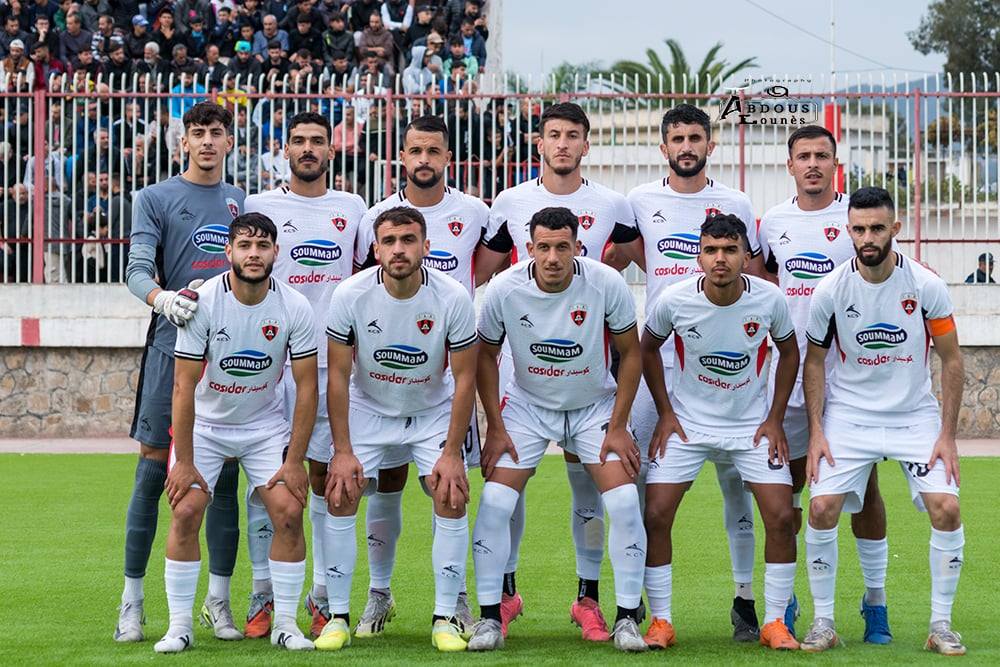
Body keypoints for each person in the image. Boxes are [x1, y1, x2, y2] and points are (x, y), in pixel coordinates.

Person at [475, 102, 643, 642]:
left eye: (563, 248)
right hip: (525, 398)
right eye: (543, 248)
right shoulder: (506, 268)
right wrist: (493, 424)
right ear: (528, 248)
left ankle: (615, 612)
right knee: (499, 499)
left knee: (618, 499)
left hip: (591, 401)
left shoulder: (606, 270)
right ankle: (494, 609)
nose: (552, 257)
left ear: (579, 246)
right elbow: (483, 344)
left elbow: (632, 349)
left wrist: (619, 423)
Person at [799, 187, 966, 655]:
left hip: (914, 416)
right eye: (859, 229)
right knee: (821, 508)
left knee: (947, 508)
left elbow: (952, 360)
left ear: (895, 228)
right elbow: (815, 362)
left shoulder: (926, 285)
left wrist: (947, 435)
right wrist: (817, 432)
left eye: (876, 228)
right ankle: (824, 621)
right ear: (848, 231)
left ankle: (941, 625)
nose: (867, 237)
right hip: (850, 415)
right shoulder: (830, 289)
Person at [627, 103, 767, 642]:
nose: (686, 147)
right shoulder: (640, 201)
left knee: (738, 484)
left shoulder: (736, 203)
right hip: (659, 365)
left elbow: (757, 280)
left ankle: (745, 601)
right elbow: (614, 258)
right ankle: (638, 603)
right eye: (677, 139)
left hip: (727, 368)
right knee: (645, 485)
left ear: (711, 144)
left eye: (695, 138)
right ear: (663, 147)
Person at [348, 114, 489, 639]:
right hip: (383, 381)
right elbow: (365, 288)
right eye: (415, 151)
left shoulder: (474, 212)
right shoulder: (374, 217)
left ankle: (455, 599)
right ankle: (378, 594)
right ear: (402, 157)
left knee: (449, 486)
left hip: (443, 382)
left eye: (434, 151)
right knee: (385, 484)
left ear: (448, 157)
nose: (424, 160)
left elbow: (489, 271)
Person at [314, 206, 478, 653]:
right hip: (369, 409)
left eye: (408, 240)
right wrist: (342, 451)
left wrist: (451, 452)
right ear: (375, 249)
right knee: (340, 493)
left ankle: (446, 616)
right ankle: (338, 617)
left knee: (450, 494)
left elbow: (465, 378)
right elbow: (338, 376)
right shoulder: (350, 294)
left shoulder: (453, 296)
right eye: (389, 241)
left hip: (430, 411)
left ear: (427, 246)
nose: (399, 249)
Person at [156, 212, 319, 653]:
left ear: (275, 252)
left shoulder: (294, 306)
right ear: (228, 251)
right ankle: (179, 627)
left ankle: (286, 624)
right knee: (186, 510)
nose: (254, 254)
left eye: (262, 246)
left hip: (264, 426)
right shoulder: (203, 302)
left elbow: (307, 386)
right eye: (245, 245)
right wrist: (185, 461)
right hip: (206, 428)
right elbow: (183, 385)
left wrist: (295, 460)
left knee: (289, 511)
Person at [640, 213, 801, 651]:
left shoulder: (769, 299)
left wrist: (774, 418)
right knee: (656, 514)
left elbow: (789, 353)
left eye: (730, 250)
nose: (720, 259)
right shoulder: (674, 300)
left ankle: (774, 622)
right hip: (688, 425)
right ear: (699, 257)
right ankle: (661, 620)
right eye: (711, 250)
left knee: (782, 516)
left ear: (746, 256)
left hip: (750, 427)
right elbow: (647, 348)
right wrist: (666, 412)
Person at [757, 125, 891, 642]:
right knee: (789, 490)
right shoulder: (774, 223)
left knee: (865, 489)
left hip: (849, 381)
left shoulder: (856, 219)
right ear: (789, 164)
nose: (812, 163)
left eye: (822, 155)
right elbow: (765, 286)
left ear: (837, 163)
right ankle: (787, 600)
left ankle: (875, 602)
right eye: (803, 155)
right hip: (791, 377)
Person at [118, 102, 245, 644]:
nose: (207, 141)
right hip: (172, 347)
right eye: (198, 133)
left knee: (226, 470)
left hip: (230, 353)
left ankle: (219, 602)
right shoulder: (154, 198)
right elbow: (136, 269)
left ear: (230, 142)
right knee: (152, 468)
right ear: (183, 143)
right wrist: (162, 297)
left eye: (216, 132)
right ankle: (131, 601)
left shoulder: (241, 201)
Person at [241, 111, 368, 640]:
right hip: (271, 368)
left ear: (331, 151)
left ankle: (320, 594)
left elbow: (366, 277)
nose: (309, 149)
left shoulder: (353, 207)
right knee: (268, 482)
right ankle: (262, 592)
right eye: (299, 141)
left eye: (318, 141)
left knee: (325, 479)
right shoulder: (260, 205)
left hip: (330, 365)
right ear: (286, 150)